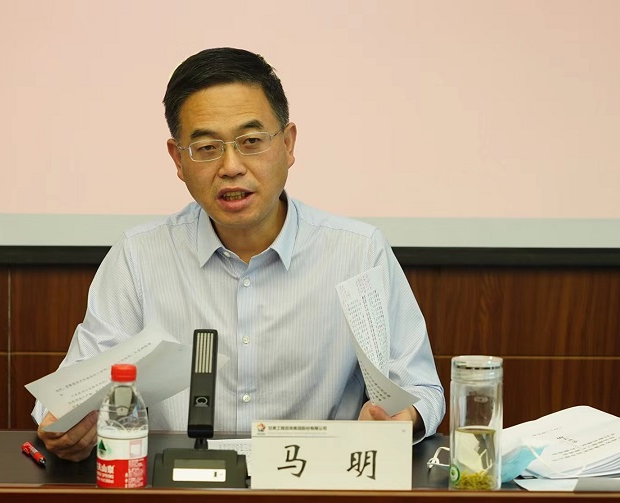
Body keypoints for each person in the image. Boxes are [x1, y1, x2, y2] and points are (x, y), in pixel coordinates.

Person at [34, 47, 445, 462]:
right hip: (179, 484)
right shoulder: (139, 255)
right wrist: (68, 424)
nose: (231, 166)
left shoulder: (358, 251)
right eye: (207, 147)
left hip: (313, 482)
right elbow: (72, 391)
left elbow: (420, 390)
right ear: (178, 159)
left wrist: (400, 417)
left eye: (250, 142)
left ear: (288, 144)